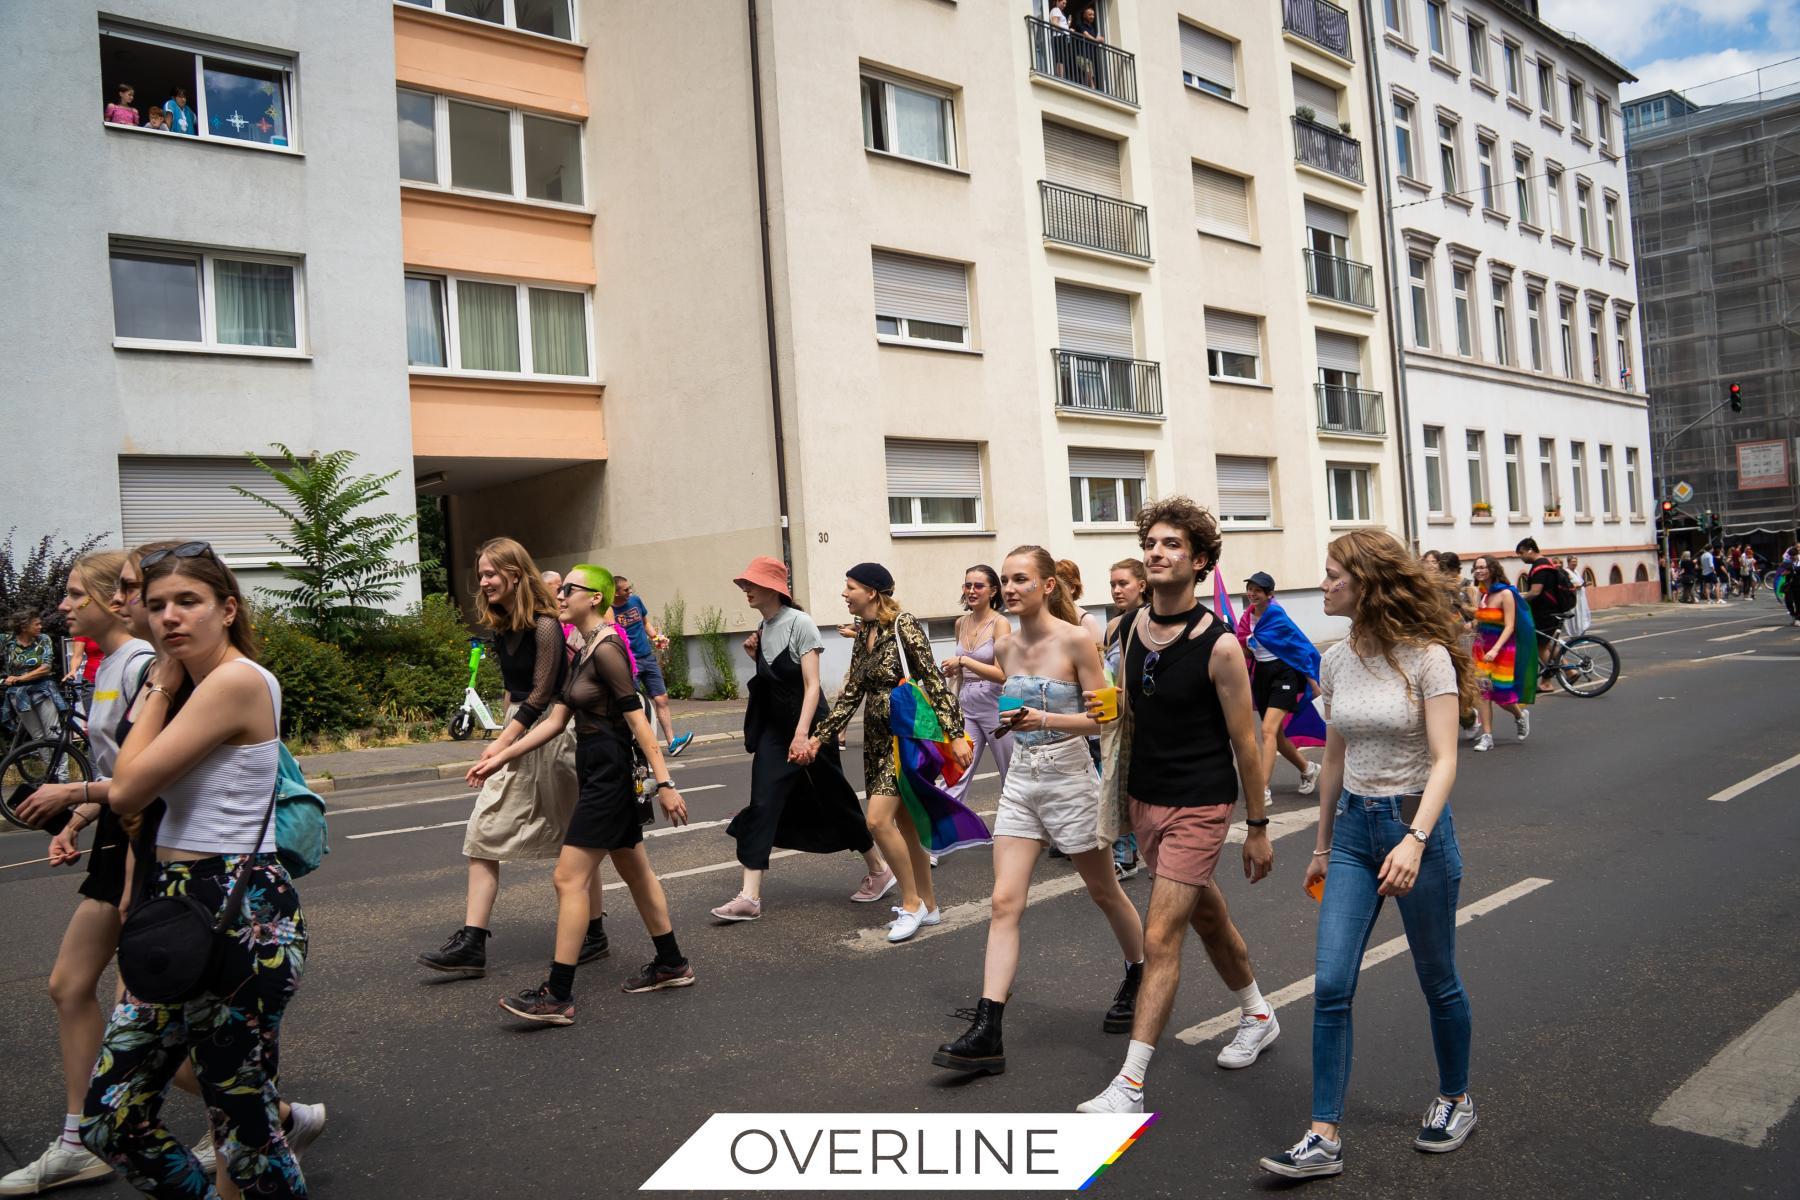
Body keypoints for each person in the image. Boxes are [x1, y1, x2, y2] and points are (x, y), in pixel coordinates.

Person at [76, 542, 309, 1196]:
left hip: (241, 912)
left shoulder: (234, 681)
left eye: (188, 602)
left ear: (227, 608)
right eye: (155, 607)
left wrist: (158, 685)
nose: (169, 618)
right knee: (110, 1117)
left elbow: (127, 790)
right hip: (182, 902)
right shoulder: (202, 685)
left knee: (246, 1133)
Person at [1259, 529, 1479, 1180]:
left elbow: (1445, 761)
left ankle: (1456, 1098)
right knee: (1331, 984)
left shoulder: (1427, 657)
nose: (1322, 585)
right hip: (1354, 832)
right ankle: (1322, 1134)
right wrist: (1322, 845)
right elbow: (1334, 757)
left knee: (1437, 979)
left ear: (1367, 584)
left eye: (1332, 575)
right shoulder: (1334, 659)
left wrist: (1414, 840)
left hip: (1415, 825)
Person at [1079, 497, 1276, 1116]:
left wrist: (1259, 826)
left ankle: (1130, 1086)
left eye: (1171, 545)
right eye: (1152, 544)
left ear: (1199, 561)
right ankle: (1258, 1013)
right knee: (1206, 916)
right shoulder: (1128, 629)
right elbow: (1122, 710)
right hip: (1145, 797)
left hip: (1200, 801)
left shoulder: (1218, 646)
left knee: (1161, 933)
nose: (1157, 553)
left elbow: (1246, 742)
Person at [934, 547, 1146, 1076]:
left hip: (1070, 778)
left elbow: (1106, 721)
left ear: (1048, 585)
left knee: (1104, 891)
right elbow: (1012, 710)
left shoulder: (1077, 640)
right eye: (1005, 579)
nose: (1010, 587)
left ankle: (1141, 972)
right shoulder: (1004, 646)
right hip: (1022, 782)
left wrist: (1044, 717)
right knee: (1004, 902)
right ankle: (988, 1031)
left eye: (1020, 579)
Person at [469, 566, 693, 1025]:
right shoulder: (583, 649)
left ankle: (558, 995)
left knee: (568, 880)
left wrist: (665, 783)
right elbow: (553, 721)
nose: (560, 593)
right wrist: (500, 755)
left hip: (610, 774)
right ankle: (671, 963)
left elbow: (638, 722)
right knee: (634, 869)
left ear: (594, 598)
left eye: (569, 588)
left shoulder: (609, 649)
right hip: (593, 768)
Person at [2, 553, 151, 1197]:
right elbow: (119, 771)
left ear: (114, 601)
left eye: (71, 595)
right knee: (69, 987)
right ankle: (80, 1139)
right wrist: (78, 820)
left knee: (149, 1022)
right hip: (120, 835)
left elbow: (150, 781)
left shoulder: (144, 666)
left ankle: (264, 1114)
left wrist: (74, 796)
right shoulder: (105, 666)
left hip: (152, 845)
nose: (62, 606)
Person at [418, 538, 605, 979]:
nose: (482, 583)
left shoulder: (545, 625)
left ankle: (594, 932)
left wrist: (503, 743)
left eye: (489, 574)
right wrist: (503, 732)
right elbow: (514, 692)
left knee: (576, 841)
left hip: (555, 736)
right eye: (480, 575)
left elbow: (542, 693)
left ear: (516, 574)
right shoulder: (503, 624)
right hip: (520, 728)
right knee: (483, 832)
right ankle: (472, 942)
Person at [712, 556, 891, 920]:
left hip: (810, 729)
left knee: (836, 799)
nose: (745, 589)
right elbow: (774, 684)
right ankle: (750, 897)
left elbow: (813, 687)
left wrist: (802, 736)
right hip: (774, 733)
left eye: (752, 583)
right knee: (763, 803)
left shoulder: (801, 624)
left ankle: (879, 869)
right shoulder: (763, 628)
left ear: (774, 588)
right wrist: (754, 658)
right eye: (744, 583)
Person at [811, 563, 972, 943]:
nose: (844, 594)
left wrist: (956, 734)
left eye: (849, 587)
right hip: (877, 741)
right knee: (907, 827)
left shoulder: (904, 624)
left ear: (872, 591)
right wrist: (820, 736)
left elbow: (932, 679)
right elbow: (852, 693)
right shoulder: (863, 632)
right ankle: (930, 906)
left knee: (877, 822)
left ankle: (912, 903)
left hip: (904, 740)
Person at [1238, 573, 1324, 800]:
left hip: (1284, 676)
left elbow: (1299, 648)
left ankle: (1262, 789)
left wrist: (1313, 683)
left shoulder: (1276, 616)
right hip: (1263, 678)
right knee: (1276, 735)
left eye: (1258, 590)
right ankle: (1308, 769)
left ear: (1269, 594)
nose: (1252, 593)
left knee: (1266, 731)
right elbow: (1246, 650)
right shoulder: (1246, 618)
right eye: (1250, 589)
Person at [939, 565, 1013, 813]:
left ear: (993, 591)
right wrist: (954, 670)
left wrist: (963, 661)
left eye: (978, 586)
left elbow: (1002, 674)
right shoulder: (961, 623)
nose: (971, 590)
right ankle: (934, 844)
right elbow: (962, 667)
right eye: (967, 585)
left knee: (1010, 774)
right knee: (957, 770)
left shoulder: (1000, 624)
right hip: (966, 702)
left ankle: (1021, 833)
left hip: (995, 703)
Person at [612, 575, 693, 756]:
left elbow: (645, 623)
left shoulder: (635, 601)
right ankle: (641, 745)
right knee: (636, 705)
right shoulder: (608, 612)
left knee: (661, 699)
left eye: (630, 588)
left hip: (647, 657)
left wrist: (656, 638)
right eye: (625, 589)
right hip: (628, 662)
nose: (630, 591)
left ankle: (672, 743)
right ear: (615, 593)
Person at [1104, 558, 1146, 879]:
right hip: (1118, 716)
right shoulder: (1112, 625)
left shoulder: (1150, 620)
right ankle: (1125, 854)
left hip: (1145, 718)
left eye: (1123, 584)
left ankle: (1149, 850)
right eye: (1113, 585)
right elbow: (1109, 676)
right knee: (1120, 785)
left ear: (1142, 586)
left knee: (1140, 789)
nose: (1117, 590)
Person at [1469, 555, 1535, 752]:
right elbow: (1481, 622)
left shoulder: (1506, 594)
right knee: (1483, 693)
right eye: (1476, 568)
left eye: (1483, 567)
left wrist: (1496, 649)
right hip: (1481, 649)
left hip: (1503, 649)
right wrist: (1468, 626)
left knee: (1502, 694)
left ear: (1492, 568)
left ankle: (1520, 715)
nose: (1479, 571)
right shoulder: (1482, 595)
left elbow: (1510, 626)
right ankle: (1487, 736)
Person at [4, 610, 68, 745]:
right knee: (37, 737)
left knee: (53, 733)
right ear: (24, 627)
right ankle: (50, 766)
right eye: (36, 624)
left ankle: (61, 767)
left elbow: (46, 668)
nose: (40, 627)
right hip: (18, 695)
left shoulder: (43, 639)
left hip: (42, 690)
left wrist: (19, 678)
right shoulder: (7, 641)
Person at [1514, 538, 1566, 679]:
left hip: (1545, 612)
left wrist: (1517, 600)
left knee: (1540, 646)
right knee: (1548, 643)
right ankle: (1569, 672)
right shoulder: (1546, 563)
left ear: (1530, 550)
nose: (1521, 557)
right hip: (1551, 609)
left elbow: (1535, 591)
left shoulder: (1540, 567)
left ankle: (1549, 679)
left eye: (1521, 553)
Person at [64, 634, 104, 714]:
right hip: (92, 680)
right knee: (92, 717)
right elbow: (77, 656)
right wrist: (73, 670)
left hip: (113, 677)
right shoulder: (84, 630)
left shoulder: (114, 626)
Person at [1563, 555, 1593, 637]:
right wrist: (1579, 585)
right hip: (1573, 598)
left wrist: (1585, 584)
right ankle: (1573, 634)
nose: (1575, 563)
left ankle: (1580, 634)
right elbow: (1570, 585)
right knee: (1574, 616)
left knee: (1581, 615)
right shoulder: (1566, 572)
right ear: (1568, 562)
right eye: (1573, 562)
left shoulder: (1576, 572)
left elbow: (1581, 583)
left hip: (1580, 598)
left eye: (1576, 562)